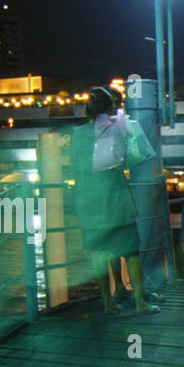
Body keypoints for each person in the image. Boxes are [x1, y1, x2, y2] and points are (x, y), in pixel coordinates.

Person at [69, 85, 159, 317]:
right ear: (110, 108)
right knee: (131, 252)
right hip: (115, 201)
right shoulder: (114, 131)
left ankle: (108, 302)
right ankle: (140, 302)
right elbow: (124, 160)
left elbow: (77, 166)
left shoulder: (77, 135)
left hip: (88, 203)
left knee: (99, 253)